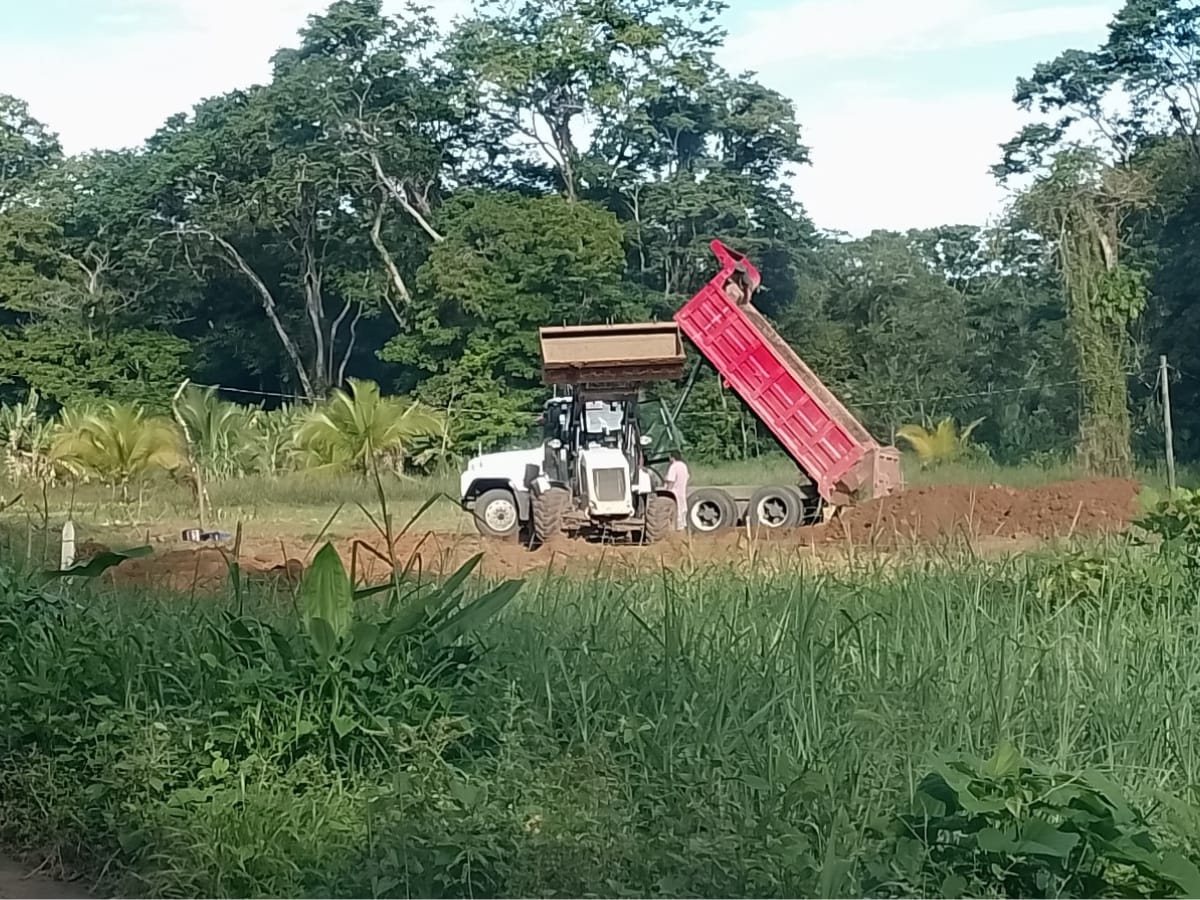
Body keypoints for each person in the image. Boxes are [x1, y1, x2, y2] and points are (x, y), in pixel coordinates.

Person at [664, 450, 690, 531]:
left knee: (674, 513)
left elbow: (671, 480)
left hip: (673, 492)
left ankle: (675, 531)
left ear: (672, 457)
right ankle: (682, 529)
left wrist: (667, 490)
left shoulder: (673, 466)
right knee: (682, 510)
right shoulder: (683, 466)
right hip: (682, 491)